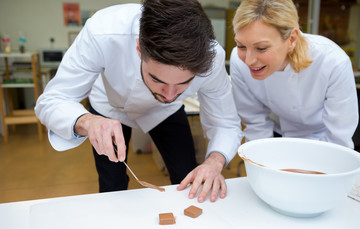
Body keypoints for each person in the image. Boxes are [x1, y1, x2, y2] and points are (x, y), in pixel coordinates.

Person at [35, 0, 242, 203]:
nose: (170, 94)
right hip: (109, 104)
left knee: (187, 175)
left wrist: (214, 163)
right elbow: (52, 100)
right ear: (139, 49)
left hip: (165, 112)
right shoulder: (103, 31)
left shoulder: (211, 58)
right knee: (112, 185)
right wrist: (88, 122)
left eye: (183, 83)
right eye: (157, 79)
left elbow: (225, 123)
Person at [230, 0, 358, 148]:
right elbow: (255, 123)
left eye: (261, 48)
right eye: (241, 46)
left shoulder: (333, 63)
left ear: (291, 39)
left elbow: (338, 139)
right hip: (275, 136)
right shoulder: (239, 62)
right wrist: (262, 163)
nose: (249, 60)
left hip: (324, 142)